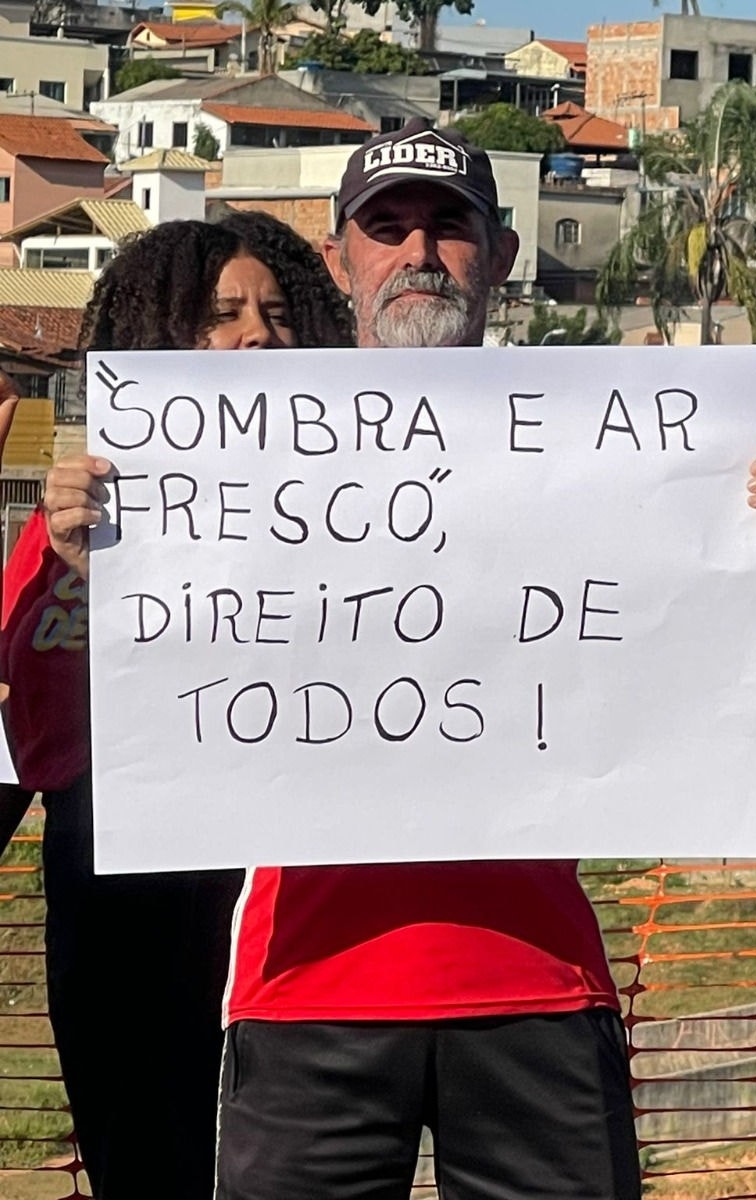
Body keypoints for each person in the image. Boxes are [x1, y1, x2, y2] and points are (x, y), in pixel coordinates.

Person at [42, 119, 756, 1200]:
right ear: (343, 252)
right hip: (303, 990)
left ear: (497, 254)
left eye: (448, 227)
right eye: (388, 226)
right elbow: (74, 723)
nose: (418, 253)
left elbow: (677, 648)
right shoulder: (224, 460)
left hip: (538, 985)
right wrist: (87, 559)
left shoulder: (612, 447)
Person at [6, 212, 354, 1199]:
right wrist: (82, 576)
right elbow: (30, 736)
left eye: (281, 314)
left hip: (294, 903)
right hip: (126, 903)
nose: (258, 336)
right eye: (220, 316)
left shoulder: (367, 507)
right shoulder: (77, 519)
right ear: (152, 338)